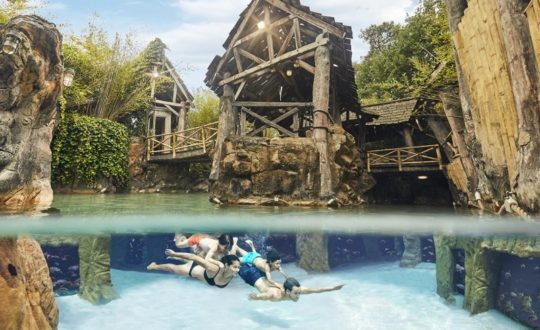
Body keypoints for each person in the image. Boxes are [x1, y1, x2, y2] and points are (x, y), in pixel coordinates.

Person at [146, 250, 240, 288]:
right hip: (192, 269)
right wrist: (174, 253)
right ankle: (154, 266)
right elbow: (193, 257)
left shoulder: (233, 272)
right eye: (235, 267)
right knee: (173, 268)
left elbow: (234, 255)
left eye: (238, 267)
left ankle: (178, 258)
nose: (237, 270)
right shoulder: (214, 269)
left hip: (203, 272)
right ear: (227, 265)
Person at [248, 277, 344, 302]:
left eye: (299, 292)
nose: (299, 296)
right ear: (288, 292)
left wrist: (333, 288)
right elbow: (256, 296)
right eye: (296, 293)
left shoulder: (296, 290)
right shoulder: (274, 295)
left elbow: (317, 290)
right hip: (254, 279)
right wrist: (251, 297)